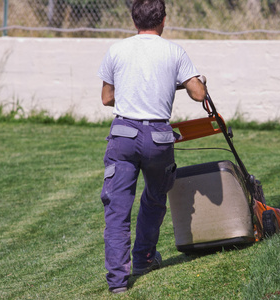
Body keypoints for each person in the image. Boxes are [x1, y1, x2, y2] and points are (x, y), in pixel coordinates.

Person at [97, 0, 207, 294]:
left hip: (123, 135)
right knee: (155, 196)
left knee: (118, 209)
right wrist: (195, 81)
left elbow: (107, 99)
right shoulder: (174, 52)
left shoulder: (116, 50)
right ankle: (144, 258)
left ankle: (118, 283)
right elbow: (198, 93)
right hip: (159, 138)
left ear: (134, 21)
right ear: (164, 20)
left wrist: (132, 86)